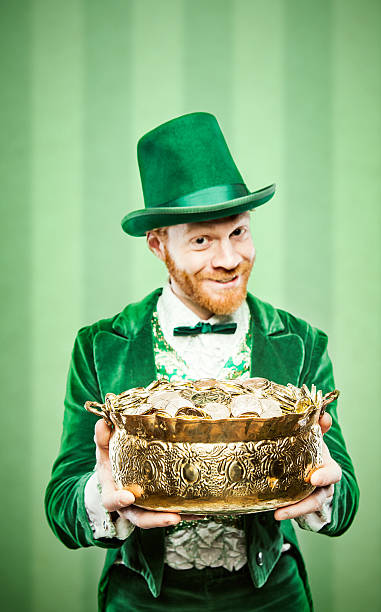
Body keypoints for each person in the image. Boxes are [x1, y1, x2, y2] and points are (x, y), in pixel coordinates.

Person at [45, 111, 359, 611]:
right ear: (158, 245)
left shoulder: (300, 343)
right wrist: (100, 495)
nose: (230, 258)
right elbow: (61, 506)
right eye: (201, 240)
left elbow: (345, 502)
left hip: (271, 595)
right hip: (143, 596)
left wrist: (323, 493)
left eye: (238, 232)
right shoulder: (100, 347)